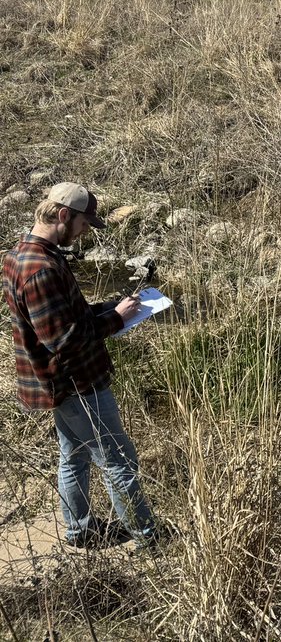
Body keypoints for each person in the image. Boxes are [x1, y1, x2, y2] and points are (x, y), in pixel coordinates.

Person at [3, 182, 159, 549]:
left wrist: (108, 308)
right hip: (75, 383)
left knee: (73, 456)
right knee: (118, 459)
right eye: (84, 223)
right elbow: (65, 341)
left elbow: (63, 318)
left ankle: (79, 530)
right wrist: (117, 321)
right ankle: (147, 538)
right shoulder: (41, 269)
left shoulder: (24, 254)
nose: (86, 231)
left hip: (57, 383)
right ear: (62, 215)